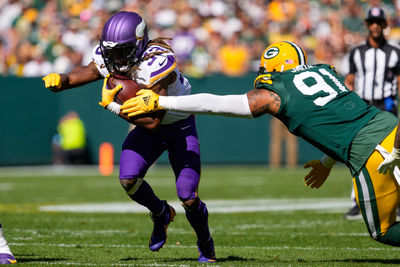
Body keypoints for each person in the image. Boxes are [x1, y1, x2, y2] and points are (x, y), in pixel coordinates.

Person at [119, 41, 400, 247]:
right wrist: (328, 161)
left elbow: (218, 103)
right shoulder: (325, 73)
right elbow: (341, 117)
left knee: (383, 231)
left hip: (372, 152)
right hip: (390, 127)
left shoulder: (277, 91)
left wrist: (161, 100)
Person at [42, 11, 215, 262]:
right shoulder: (112, 56)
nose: (115, 58)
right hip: (147, 129)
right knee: (128, 179)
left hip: (178, 127)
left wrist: (114, 107)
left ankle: (205, 242)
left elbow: (153, 120)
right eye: (111, 51)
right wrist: (64, 80)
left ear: (139, 42)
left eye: (122, 51)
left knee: (188, 196)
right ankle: (160, 212)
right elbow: (91, 70)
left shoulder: (157, 62)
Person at [343, 6, 400, 220]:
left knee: (394, 153)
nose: (375, 26)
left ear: (384, 25)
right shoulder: (357, 52)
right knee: (357, 153)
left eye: (379, 22)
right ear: (367, 24)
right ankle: (357, 201)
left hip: (386, 107)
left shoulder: (395, 52)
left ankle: (398, 199)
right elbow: (349, 82)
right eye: (372, 22)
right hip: (363, 107)